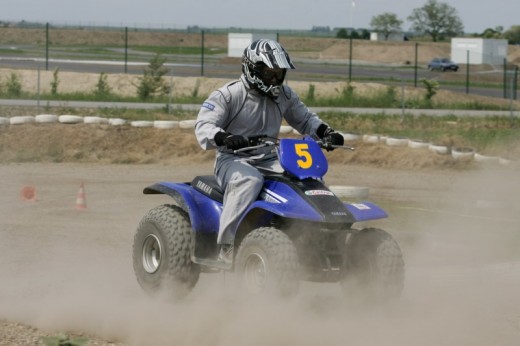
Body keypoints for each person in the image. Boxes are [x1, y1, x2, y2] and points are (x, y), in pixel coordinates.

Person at [194, 39, 344, 264]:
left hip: (271, 157)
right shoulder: (229, 94)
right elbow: (204, 125)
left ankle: (316, 236)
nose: (275, 79)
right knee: (250, 181)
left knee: (307, 178)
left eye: (279, 73)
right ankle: (227, 246)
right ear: (252, 69)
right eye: (269, 72)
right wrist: (224, 137)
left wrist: (325, 132)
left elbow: (305, 119)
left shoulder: (284, 95)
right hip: (233, 159)